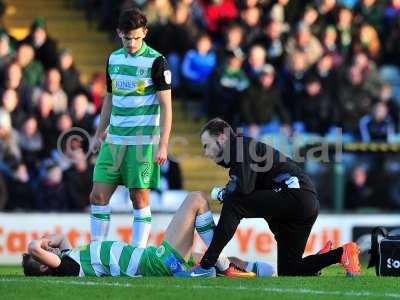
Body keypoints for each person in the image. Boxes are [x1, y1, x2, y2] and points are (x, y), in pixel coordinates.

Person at [179, 118, 361, 277]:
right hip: (304, 201)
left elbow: (242, 188)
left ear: (221, 137)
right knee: (290, 270)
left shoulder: (240, 146)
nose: (205, 152)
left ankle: (206, 265)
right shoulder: (243, 149)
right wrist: (228, 191)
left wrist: (225, 193)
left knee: (234, 203)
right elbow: (246, 186)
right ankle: (341, 254)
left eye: (206, 145)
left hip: (295, 196)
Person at [22, 192, 271, 278]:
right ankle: (224, 264)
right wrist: (39, 245)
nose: (50, 248)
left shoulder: (69, 256)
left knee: (202, 256)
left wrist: (48, 243)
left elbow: (59, 238)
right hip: (152, 262)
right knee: (196, 199)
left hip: (151, 258)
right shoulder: (66, 268)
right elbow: (34, 247)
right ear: (45, 266)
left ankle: (252, 268)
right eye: (45, 255)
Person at [90, 8, 172, 248]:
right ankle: (97, 250)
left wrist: (163, 144)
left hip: (142, 142)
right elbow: (109, 98)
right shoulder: (113, 59)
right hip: (114, 140)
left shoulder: (157, 61)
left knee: (138, 196)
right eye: (128, 38)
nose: (132, 43)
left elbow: (166, 106)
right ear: (119, 34)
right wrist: (98, 134)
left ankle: (137, 253)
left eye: (137, 37)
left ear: (145, 32)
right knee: (98, 195)